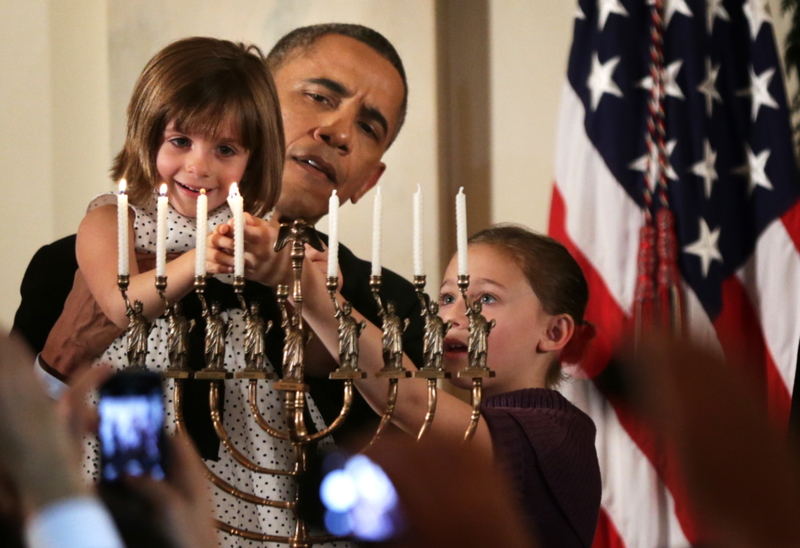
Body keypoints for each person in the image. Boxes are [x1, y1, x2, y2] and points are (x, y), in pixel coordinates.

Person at [15, 24, 424, 545]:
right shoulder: (71, 261)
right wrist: (56, 366)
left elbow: (424, 451)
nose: (337, 131)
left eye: (368, 127)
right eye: (319, 96)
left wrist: (318, 296)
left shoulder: (381, 300)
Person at [297, 224, 603, 547]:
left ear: (554, 332)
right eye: (446, 297)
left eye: (486, 298)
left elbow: (410, 400)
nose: (451, 317)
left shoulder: (557, 432)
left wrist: (320, 299)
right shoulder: (466, 431)